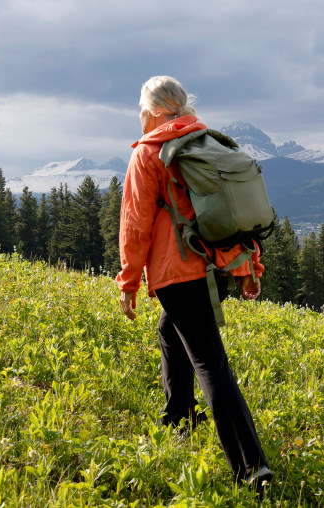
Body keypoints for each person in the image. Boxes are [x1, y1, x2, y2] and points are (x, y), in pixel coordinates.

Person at [116, 75, 273, 487]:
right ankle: (179, 417)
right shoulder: (210, 142)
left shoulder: (149, 154)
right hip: (215, 269)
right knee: (172, 330)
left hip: (178, 273)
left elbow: (136, 225)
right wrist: (248, 267)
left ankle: (252, 466)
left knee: (210, 363)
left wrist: (128, 282)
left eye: (141, 110)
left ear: (152, 111)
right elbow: (235, 212)